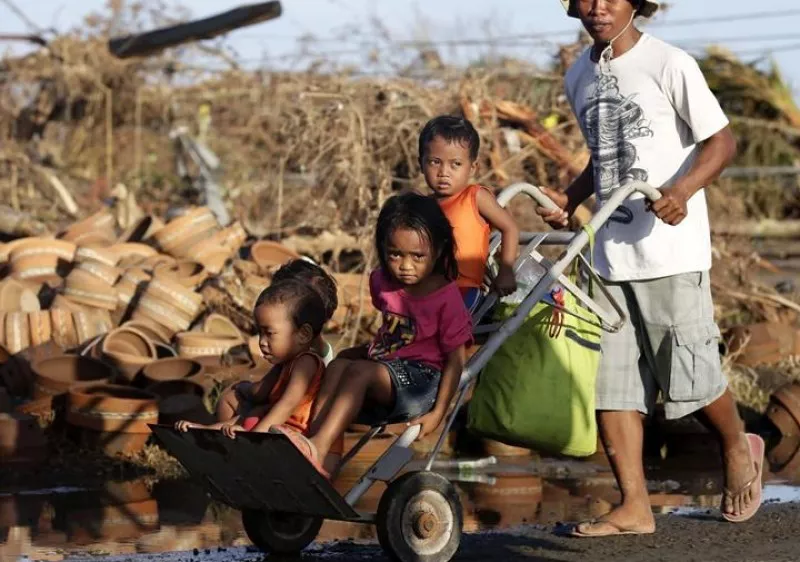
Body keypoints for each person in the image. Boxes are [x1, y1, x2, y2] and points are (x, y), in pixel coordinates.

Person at [537, 0, 764, 536]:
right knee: (613, 387)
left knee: (689, 371)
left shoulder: (670, 63)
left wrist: (683, 190)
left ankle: (736, 443)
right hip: (611, 254)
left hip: (671, 251)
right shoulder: (579, 74)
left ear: (638, 2)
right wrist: (570, 200)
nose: (598, 7)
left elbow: (721, 140)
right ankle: (634, 505)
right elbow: (604, 154)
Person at [272, 192, 473, 478]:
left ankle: (317, 445)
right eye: (395, 255)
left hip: (421, 382)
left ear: (439, 251)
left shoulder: (445, 297)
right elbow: (394, 336)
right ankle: (315, 439)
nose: (405, 266)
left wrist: (438, 413)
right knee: (341, 361)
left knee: (359, 373)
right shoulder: (382, 282)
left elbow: (455, 360)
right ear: (383, 248)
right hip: (388, 366)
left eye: (418, 257)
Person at [174, 280, 330, 440]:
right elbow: (260, 395)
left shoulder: (306, 362)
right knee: (248, 415)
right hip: (271, 422)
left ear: (303, 334)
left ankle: (223, 437)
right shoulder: (284, 364)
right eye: (260, 333)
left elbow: (287, 404)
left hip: (293, 433)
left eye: (269, 333)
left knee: (255, 415)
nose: (261, 341)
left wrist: (256, 435)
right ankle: (207, 432)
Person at [214, 259, 338, 425]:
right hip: (283, 417)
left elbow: (278, 400)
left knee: (230, 398)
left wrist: (243, 388)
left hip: (290, 424)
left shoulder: (306, 360)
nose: (262, 342)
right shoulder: (308, 350)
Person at [419, 115, 520, 311]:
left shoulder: (475, 197)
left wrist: (506, 271)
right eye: (434, 162)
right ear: (421, 163)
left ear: (472, 167)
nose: (444, 172)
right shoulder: (423, 206)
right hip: (428, 289)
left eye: (455, 164)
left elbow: (510, 228)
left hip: (463, 290)